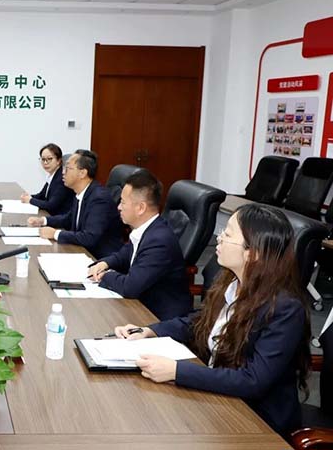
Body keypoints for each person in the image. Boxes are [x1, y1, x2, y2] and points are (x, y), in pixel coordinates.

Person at [112, 204, 310, 437]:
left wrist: (177, 371)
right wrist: (150, 331)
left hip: (258, 421)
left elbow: (253, 380)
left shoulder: (286, 309)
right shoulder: (231, 282)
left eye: (228, 234)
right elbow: (201, 321)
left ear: (253, 253)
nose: (219, 238)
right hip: (219, 399)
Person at [88, 170, 190, 320]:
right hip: (141, 305)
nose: (118, 207)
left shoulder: (159, 241)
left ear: (141, 208)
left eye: (123, 202)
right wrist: (104, 263)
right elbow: (124, 255)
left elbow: (130, 287)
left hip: (159, 318)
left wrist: (106, 276)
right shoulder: (146, 229)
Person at [29, 149, 123, 259]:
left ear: (82, 173)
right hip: (81, 251)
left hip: (99, 258)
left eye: (68, 168)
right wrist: (43, 220)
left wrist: (55, 234)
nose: (63, 172)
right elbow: (69, 218)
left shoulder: (99, 198)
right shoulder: (81, 192)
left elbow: (89, 237)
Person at [20, 143, 75, 215]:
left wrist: (30, 200)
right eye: (43, 159)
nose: (45, 163)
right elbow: (42, 195)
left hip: (59, 218)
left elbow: (51, 205)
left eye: (49, 159)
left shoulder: (62, 178)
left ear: (58, 160)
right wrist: (28, 197)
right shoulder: (52, 175)